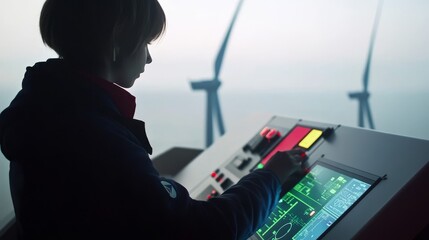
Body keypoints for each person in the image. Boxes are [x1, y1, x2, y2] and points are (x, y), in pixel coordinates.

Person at [0, 0, 305, 239]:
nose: (148, 58)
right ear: (118, 37)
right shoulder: (93, 137)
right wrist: (272, 176)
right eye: (145, 42)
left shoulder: (44, 109)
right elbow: (206, 231)